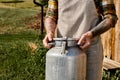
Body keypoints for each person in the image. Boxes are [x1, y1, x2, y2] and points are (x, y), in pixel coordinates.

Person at [43, 0, 118, 80]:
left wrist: (91, 34)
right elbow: (50, 16)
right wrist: (50, 32)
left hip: (91, 49)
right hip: (63, 50)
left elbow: (110, 18)